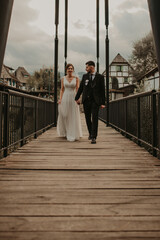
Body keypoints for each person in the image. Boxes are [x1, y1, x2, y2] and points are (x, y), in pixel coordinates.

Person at [75, 61, 105, 144]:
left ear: (92, 67)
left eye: (87, 67)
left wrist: (103, 103)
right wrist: (76, 98)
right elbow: (81, 88)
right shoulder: (85, 76)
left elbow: (102, 90)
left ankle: (94, 137)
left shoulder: (100, 77)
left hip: (95, 101)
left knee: (95, 118)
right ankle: (90, 133)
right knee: (87, 118)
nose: (85, 69)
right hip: (86, 101)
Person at [57, 63, 82, 141]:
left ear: (73, 70)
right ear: (66, 70)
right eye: (69, 68)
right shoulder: (63, 78)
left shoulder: (77, 78)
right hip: (65, 97)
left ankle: (73, 132)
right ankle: (66, 131)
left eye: (71, 68)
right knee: (65, 115)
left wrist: (78, 99)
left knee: (73, 115)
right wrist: (60, 99)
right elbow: (62, 90)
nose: (70, 70)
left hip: (73, 97)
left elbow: (77, 89)